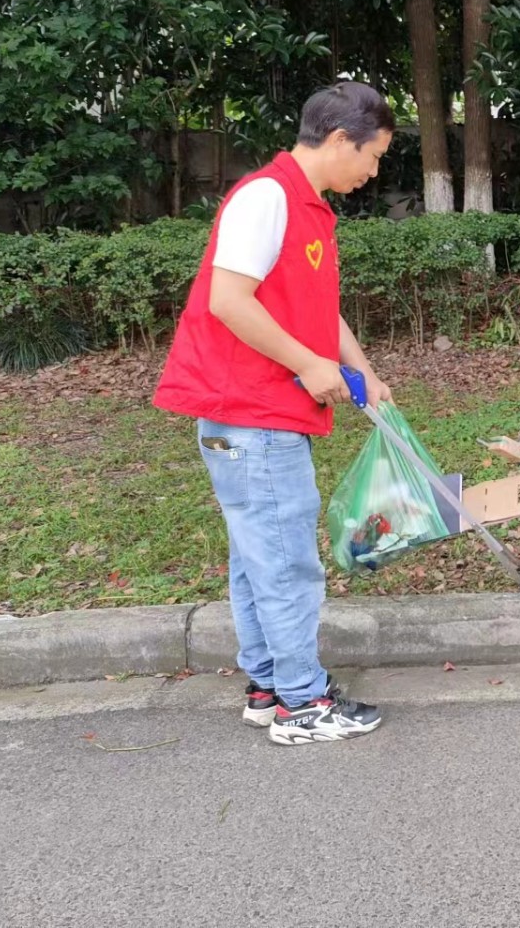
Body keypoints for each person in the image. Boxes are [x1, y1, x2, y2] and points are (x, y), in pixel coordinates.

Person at [154, 81, 396, 745]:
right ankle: (301, 702)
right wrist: (310, 366)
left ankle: (270, 686)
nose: (374, 171)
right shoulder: (266, 197)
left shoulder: (307, 205)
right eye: (373, 156)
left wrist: (361, 367)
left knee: (256, 554)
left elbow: (317, 306)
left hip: (261, 412)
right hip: (251, 412)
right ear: (341, 140)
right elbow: (230, 300)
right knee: (286, 558)